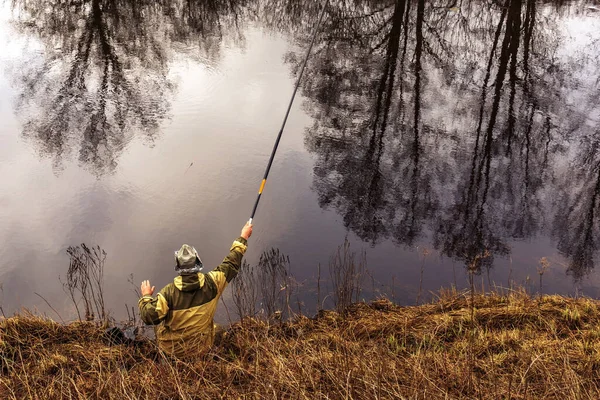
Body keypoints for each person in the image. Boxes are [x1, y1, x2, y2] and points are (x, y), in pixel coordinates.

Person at [138, 221, 253, 358]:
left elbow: (149, 317)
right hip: (201, 348)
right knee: (219, 330)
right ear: (198, 263)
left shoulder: (167, 294)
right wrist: (243, 237)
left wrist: (146, 296)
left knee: (160, 325)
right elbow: (231, 263)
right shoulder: (213, 283)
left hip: (173, 353)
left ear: (178, 267)